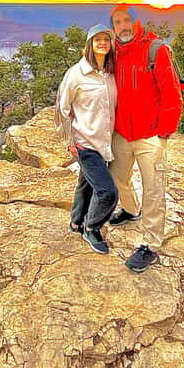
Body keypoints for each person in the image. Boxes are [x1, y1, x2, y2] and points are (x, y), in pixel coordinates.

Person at [107, 5, 184, 272]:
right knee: (117, 178)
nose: (123, 26)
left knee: (154, 190)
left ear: (138, 22)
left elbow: (172, 94)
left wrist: (164, 132)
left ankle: (150, 245)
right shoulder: (113, 53)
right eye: (118, 22)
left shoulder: (156, 50)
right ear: (113, 27)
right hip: (121, 133)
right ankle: (130, 210)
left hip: (150, 134)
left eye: (128, 20)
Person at [54, 24, 119, 254]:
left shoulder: (110, 73)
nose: (102, 43)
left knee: (87, 183)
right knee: (107, 192)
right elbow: (62, 109)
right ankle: (92, 228)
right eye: (97, 39)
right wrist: (69, 141)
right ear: (89, 44)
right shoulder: (76, 74)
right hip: (84, 142)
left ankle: (76, 222)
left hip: (104, 142)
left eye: (106, 39)